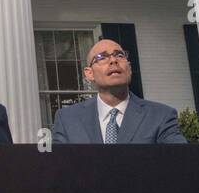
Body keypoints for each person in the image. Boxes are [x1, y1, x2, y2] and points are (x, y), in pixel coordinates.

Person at [52, 38, 187, 144]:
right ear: (89, 74)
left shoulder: (161, 116)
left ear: (129, 68)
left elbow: (180, 164)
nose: (113, 60)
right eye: (102, 57)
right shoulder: (67, 119)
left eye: (119, 55)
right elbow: (57, 169)